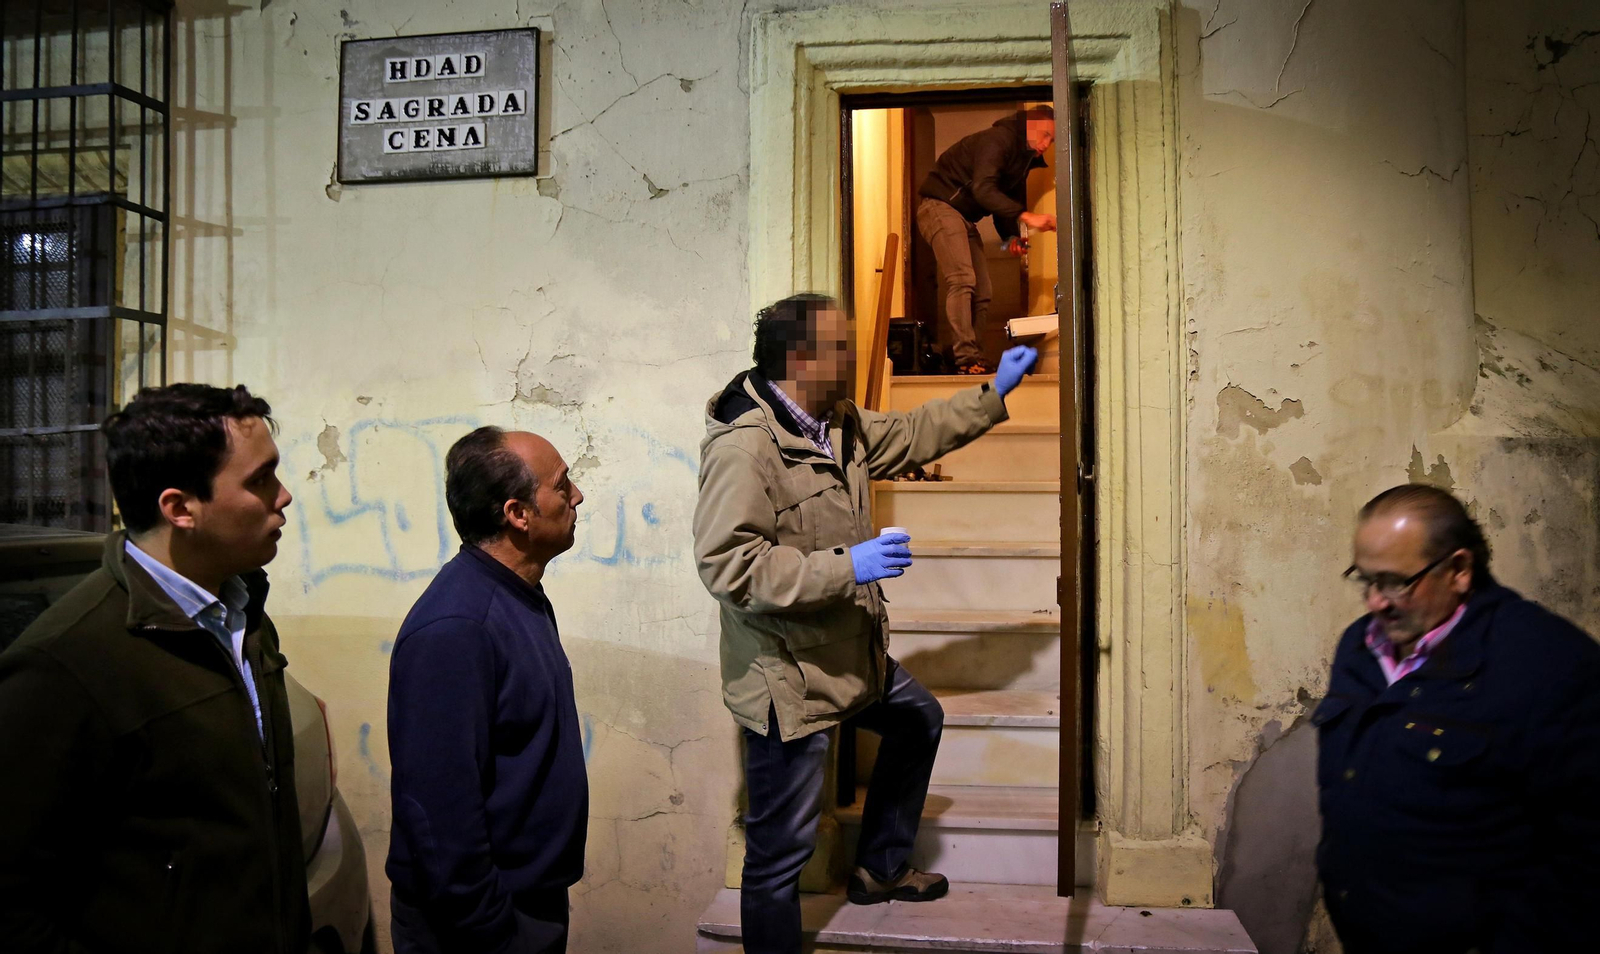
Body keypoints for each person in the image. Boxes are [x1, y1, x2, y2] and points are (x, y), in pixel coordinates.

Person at [692, 293, 1038, 954]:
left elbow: (909, 435)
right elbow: (730, 570)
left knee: (916, 718)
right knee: (775, 861)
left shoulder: (836, 422)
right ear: (801, 358)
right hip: (786, 677)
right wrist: (847, 565)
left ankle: (880, 867)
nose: (854, 355)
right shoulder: (747, 448)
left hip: (849, 654)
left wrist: (995, 390)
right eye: (840, 346)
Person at [0, 384, 307, 953]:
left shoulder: (242, 613)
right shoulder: (65, 664)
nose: (284, 496)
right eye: (260, 480)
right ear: (180, 508)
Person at [1316, 484, 1600, 954]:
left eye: (1394, 582)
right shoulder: (1360, 648)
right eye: (1364, 580)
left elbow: (1586, 855)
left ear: (1459, 570)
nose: (1375, 603)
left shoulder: (1546, 663)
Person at [387, 426, 589, 954]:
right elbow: (439, 809)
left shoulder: (518, 595)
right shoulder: (458, 626)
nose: (578, 496)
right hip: (480, 925)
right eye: (562, 485)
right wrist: (493, 928)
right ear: (518, 514)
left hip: (524, 902)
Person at [916, 104, 1058, 374]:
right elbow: (983, 189)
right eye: (1045, 135)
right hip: (938, 206)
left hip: (962, 216)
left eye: (1051, 140)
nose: (1046, 144)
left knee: (983, 291)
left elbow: (1001, 204)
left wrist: (1010, 238)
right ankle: (965, 358)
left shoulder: (1022, 160)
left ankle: (973, 357)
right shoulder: (999, 140)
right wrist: (1028, 216)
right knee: (961, 278)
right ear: (1030, 125)